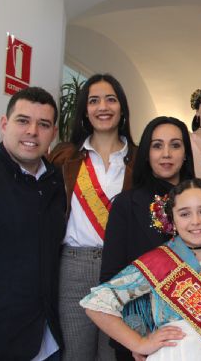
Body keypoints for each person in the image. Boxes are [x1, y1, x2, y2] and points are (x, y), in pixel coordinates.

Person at [81, 179, 201, 360]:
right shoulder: (157, 262)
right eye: (185, 214)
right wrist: (139, 343)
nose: (195, 221)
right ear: (173, 220)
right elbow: (96, 304)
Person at [48, 73, 136, 361]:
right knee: (75, 354)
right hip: (73, 268)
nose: (103, 107)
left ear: (122, 107)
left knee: (114, 354)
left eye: (111, 99)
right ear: (85, 109)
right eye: (94, 100)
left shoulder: (138, 159)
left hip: (123, 270)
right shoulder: (65, 157)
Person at [99, 117, 194, 360]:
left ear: (185, 153)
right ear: (146, 153)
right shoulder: (127, 204)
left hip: (195, 332)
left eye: (175, 145)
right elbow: (112, 278)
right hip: (141, 336)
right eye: (156, 145)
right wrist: (137, 339)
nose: (166, 154)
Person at [0, 87, 66, 361]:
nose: (33, 131)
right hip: (0, 340)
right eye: (23, 121)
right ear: (4, 124)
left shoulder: (58, 181)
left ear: (53, 134)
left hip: (48, 338)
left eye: (43, 124)